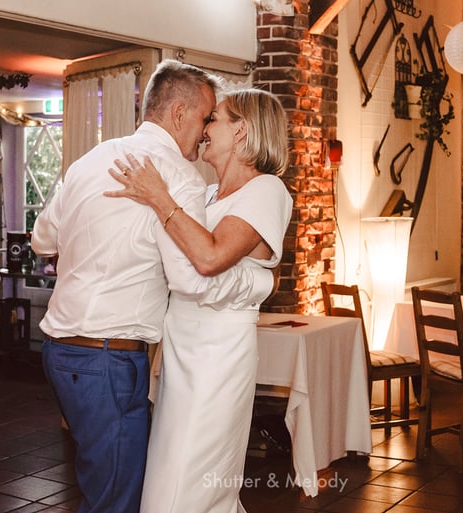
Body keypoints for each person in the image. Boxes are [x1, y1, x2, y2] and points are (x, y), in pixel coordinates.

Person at [31, 61, 276, 513]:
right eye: (204, 118)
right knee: (116, 500)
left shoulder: (90, 159)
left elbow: (42, 239)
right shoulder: (178, 178)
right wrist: (259, 279)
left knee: (99, 482)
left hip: (57, 351)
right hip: (108, 358)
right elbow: (189, 275)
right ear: (180, 114)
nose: (204, 131)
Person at [104, 88, 293, 513]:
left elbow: (207, 258)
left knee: (189, 485)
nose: (204, 128)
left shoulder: (267, 190)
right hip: (179, 349)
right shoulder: (206, 197)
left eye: (215, 119)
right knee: (170, 477)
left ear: (242, 130)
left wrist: (159, 197)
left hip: (217, 355)